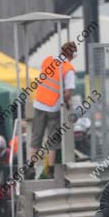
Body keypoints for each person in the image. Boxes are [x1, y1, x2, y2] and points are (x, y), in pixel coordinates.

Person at [31, 41, 77, 177]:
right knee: (52, 139)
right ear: (72, 55)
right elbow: (68, 93)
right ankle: (50, 170)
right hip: (53, 107)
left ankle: (30, 167)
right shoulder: (68, 69)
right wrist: (68, 104)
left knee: (36, 137)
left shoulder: (48, 60)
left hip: (39, 103)